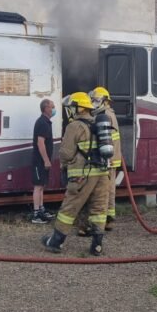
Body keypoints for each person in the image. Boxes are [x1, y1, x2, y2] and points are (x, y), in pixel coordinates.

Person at [41, 92, 110, 256]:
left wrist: (66, 165)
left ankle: (56, 242)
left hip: (83, 174)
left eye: (72, 107)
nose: (70, 110)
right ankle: (97, 246)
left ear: (79, 108)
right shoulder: (99, 123)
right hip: (102, 173)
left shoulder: (74, 126)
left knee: (69, 207)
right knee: (99, 208)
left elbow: (65, 153)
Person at [89, 86, 122, 231]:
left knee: (106, 189)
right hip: (111, 156)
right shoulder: (108, 113)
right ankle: (108, 217)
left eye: (95, 99)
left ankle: (107, 219)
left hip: (108, 158)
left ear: (103, 100)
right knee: (109, 188)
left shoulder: (105, 115)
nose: (93, 102)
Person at [31, 98, 56, 224]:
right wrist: (46, 160)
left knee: (41, 186)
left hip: (43, 161)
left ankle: (41, 210)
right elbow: (40, 143)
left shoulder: (46, 122)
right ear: (46, 108)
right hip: (39, 161)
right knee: (38, 186)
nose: (54, 109)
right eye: (52, 106)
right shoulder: (42, 123)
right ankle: (36, 215)